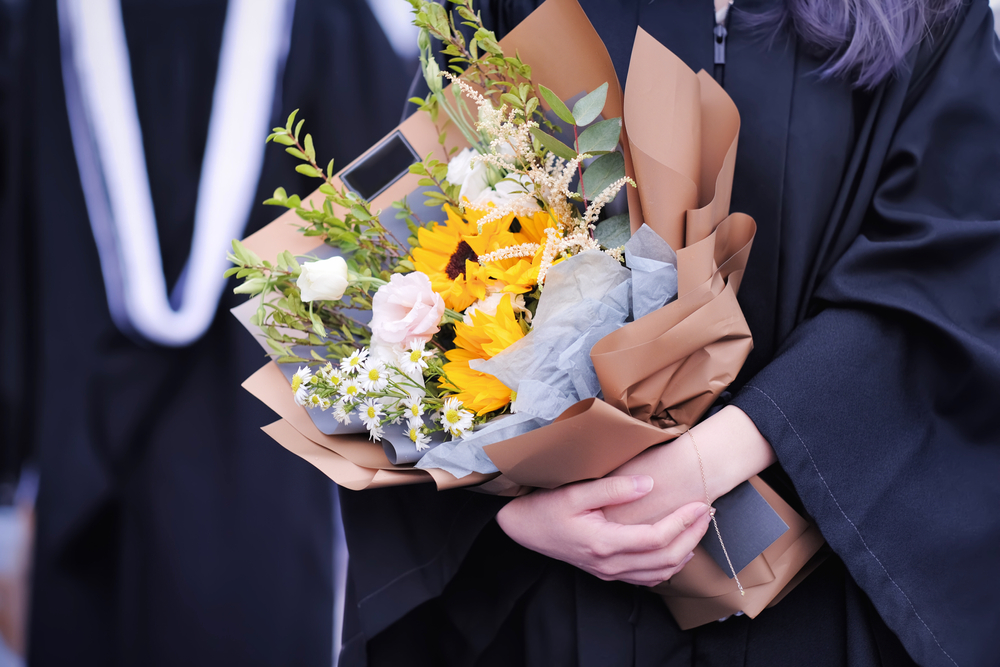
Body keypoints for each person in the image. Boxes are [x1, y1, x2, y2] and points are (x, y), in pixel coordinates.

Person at [337, 0, 1000, 665]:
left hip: (821, 589)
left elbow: (949, 275)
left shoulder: (928, 16)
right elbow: (417, 258)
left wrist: (711, 458)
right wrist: (504, 514)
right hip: (552, 597)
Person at [1, 1, 409, 664]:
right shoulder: (321, 17)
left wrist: (11, 456)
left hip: (82, 462)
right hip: (259, 464)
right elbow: (385, 236)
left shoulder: (51, 20)